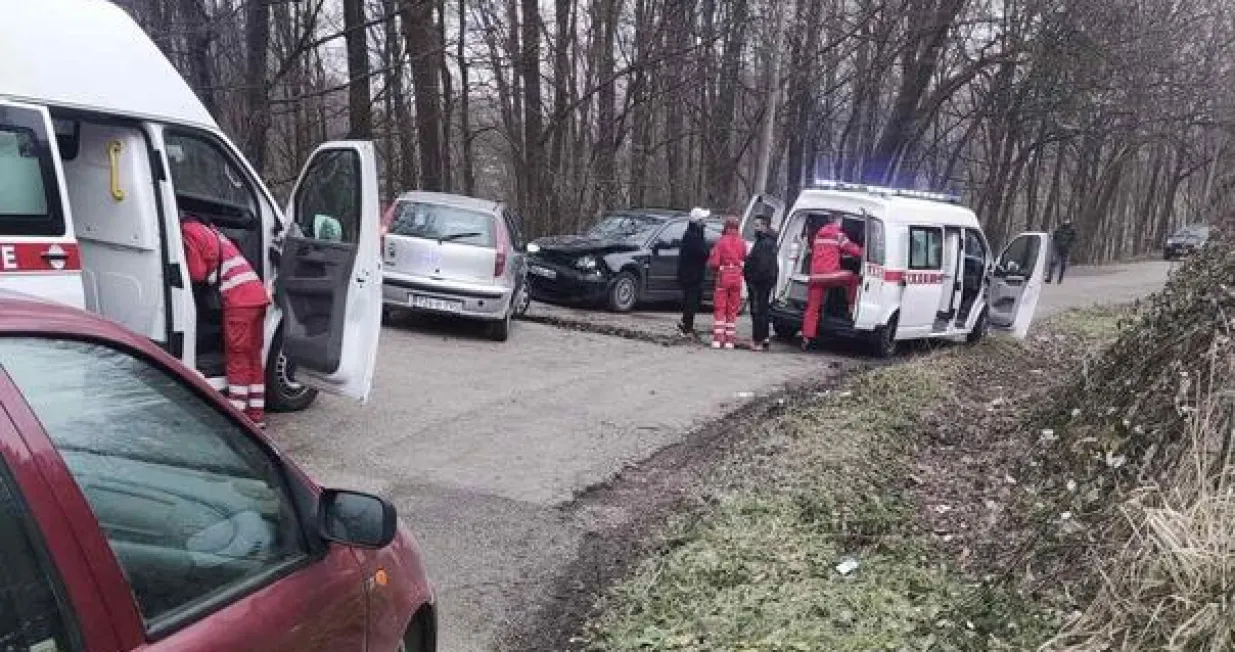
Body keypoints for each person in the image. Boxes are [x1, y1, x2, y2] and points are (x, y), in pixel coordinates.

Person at [181, 215, 271, 428]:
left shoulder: (189, 232)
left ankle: (237, 416)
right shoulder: (212, 232)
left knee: (237, 357)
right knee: (252, 357)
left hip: (239, 301)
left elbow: (197, 273)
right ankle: (255, 415)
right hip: (256, 296)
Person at [801, 213, 862, 350]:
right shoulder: (839, 235)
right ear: (838, 221)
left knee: (812, 309)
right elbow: (855, 251)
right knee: (854, 278)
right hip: (832, 276)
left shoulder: (818, 235)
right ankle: (851, 308)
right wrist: (866, 252)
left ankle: (806, 337)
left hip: (816, 277)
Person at [707, 215, 747, 349]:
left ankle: (718, 339)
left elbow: (714, 262)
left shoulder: (721, 241)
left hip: (724, 276)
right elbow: (744, 258)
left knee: (720, 307)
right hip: (737, 277)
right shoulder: (742, 242)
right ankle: (730, 340)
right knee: (733, 308)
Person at [744, 216, 778, 351]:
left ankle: (758, 340)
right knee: (763, 310)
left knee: (757, 311)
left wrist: (752, 279)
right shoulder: (767, 242)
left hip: (759, 283)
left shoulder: (764, 243)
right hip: (765, 282)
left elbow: (762, 265)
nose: (755, 228)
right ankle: (764, 338)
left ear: (765, 227)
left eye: (757, 225)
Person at [677, 208, 711, 337]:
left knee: (692, 300)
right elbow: (703, 252)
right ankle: (687, 327)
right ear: (698, 222)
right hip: (691, 275)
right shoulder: (693, 236)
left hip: (692, 273)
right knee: (691, 301)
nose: (705, 222)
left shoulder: (694, 233)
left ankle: (686, 324)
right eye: (703, 220)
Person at [1048, 219, 1077, 284]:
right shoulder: (1059, 228)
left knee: (1063, 264)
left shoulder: (1072, 230)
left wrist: (1069, 246)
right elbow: (1054, 236)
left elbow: (1074, 239)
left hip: (1065, 249)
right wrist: (1055, 244)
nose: (1066, 222)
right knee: (1053, 262)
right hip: (1057, 248)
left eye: (1067, 221)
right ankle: (1049, 278)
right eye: (1065, 221)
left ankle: (1060, 279)